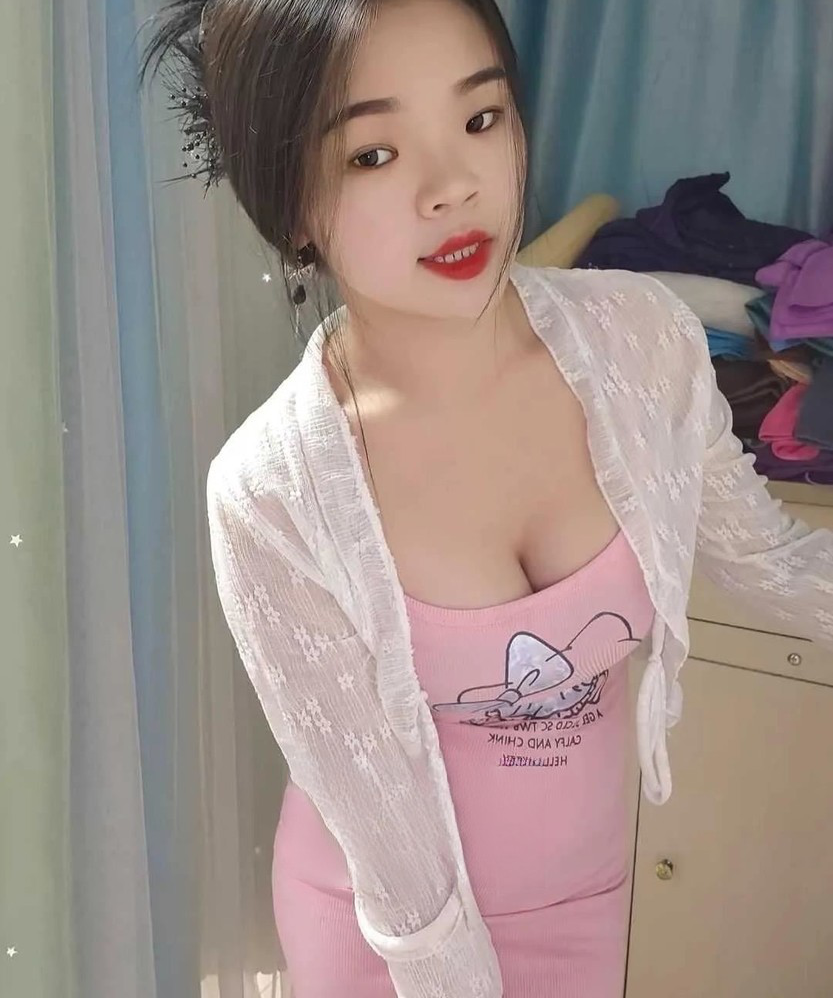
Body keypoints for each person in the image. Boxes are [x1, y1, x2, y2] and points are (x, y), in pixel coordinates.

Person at [140, 2, 833, 996]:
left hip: (586, 898)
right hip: (386, 932)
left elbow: (770, 562)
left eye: (478, 119)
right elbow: (394, 854)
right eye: (373, 154)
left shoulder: (642, 342)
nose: (453, 185)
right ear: (290, 204)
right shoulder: (273, 493)